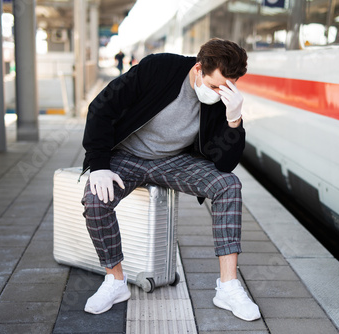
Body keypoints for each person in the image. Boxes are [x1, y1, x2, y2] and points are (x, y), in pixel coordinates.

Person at [81, 38, 260, 322]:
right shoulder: (158, 68)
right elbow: (102, 108)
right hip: (127, 155)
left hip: (173, 161)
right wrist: (99, 163)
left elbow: (225, 164)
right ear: (199, 68)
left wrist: (234, 120)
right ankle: (115, 282)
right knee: (94, 200)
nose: (218, 93)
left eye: (227, 87)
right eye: (214, 86)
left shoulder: (222, 100)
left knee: (229, 185)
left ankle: (228, 287)